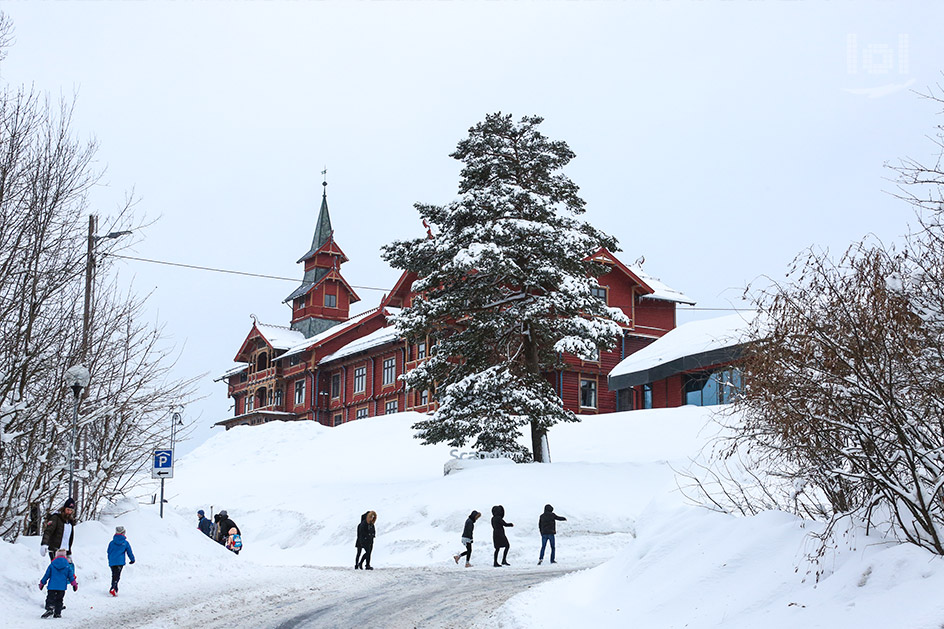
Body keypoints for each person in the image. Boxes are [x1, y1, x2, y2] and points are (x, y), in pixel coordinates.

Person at [39, 549, 77, 618]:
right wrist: (74, 584)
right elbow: (71, 576)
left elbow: (46, 575)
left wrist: (42, 583)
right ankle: (57, 613)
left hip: (52, 586)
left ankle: (50, 608)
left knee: (50, 598)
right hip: (61, 588)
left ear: (56, 555)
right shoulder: (67, 566)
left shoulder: (52, 565)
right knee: (59, 600)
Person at [41, 498, 76, 562]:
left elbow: (69, 538)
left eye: (71, 510)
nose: (69, 512)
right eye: (68, 509)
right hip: (55, 549)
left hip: (65, 550)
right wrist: (44, 544)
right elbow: (48, 531)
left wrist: (69, 552)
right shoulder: (56, 518)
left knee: (65, 570)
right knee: (57, 568)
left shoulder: (70, 521)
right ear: (64, 508)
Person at [107, 525, 135, 596]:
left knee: (114, 574)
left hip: (112, 561)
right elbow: (129, 552)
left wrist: (110, 558)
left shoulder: (111, 543)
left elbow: (108, 551)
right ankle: (113, 588)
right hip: (120, 562)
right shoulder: (125, 543)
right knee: (117, 575)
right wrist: (132, 559)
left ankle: (114, 589)